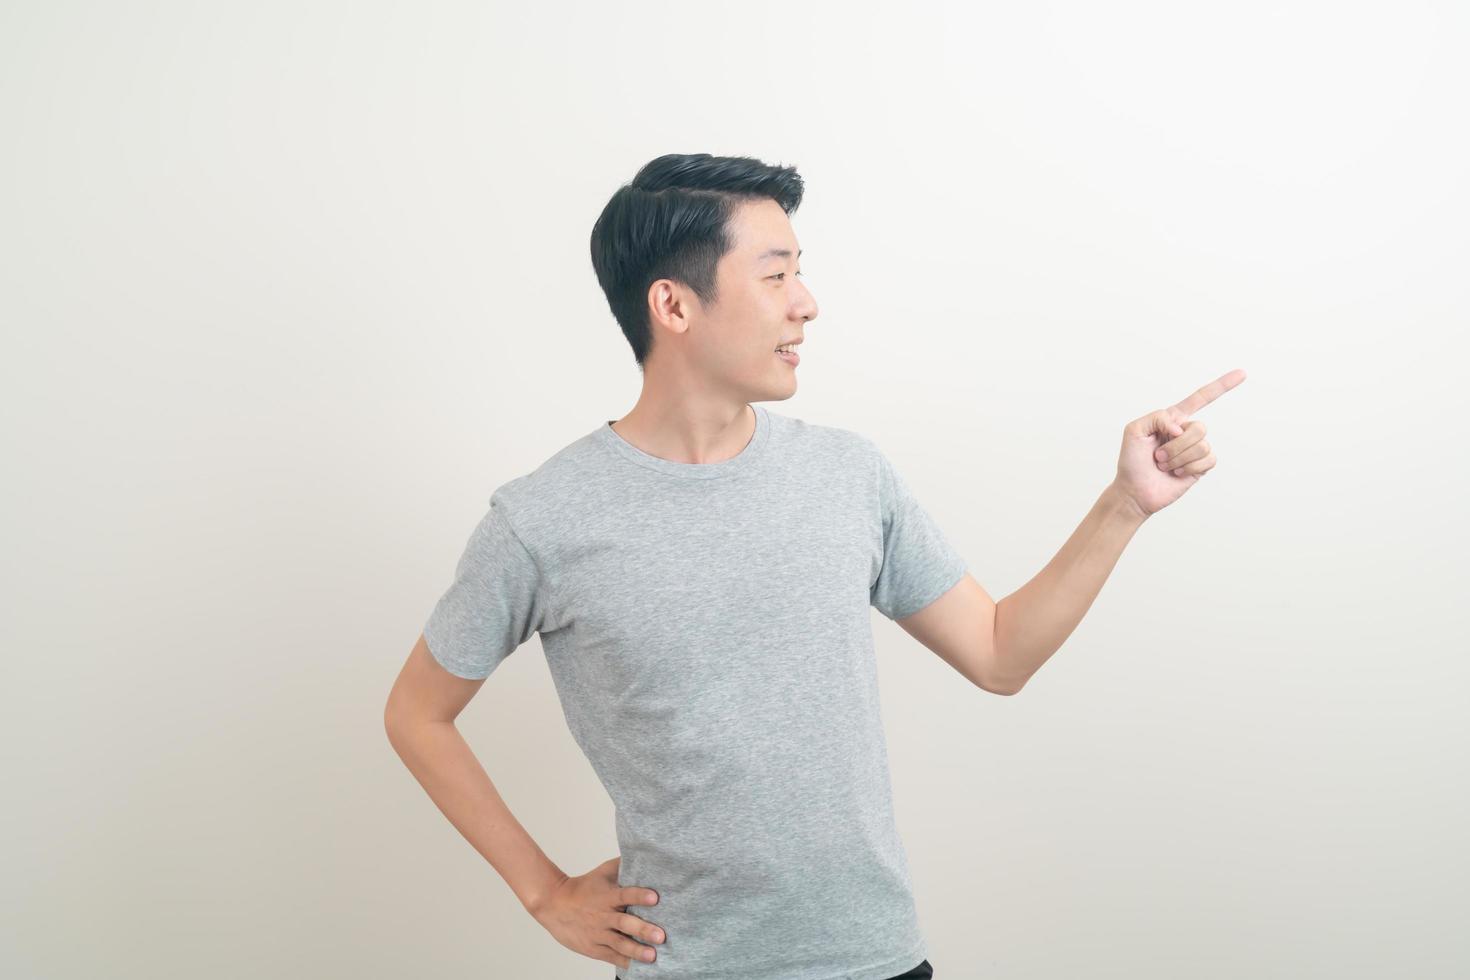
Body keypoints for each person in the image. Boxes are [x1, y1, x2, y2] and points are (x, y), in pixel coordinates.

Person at [385, 152, 1229, 979]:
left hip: (879, 961)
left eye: (801, 274)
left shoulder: (847, 476)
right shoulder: (544, 519)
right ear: (673, 305)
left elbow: (1001, 656)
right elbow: (417, 713)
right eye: (776, 275)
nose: (808, 305)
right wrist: (544, 892)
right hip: (686, 969)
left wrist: (1124, 504)